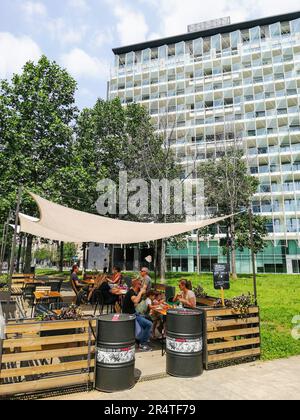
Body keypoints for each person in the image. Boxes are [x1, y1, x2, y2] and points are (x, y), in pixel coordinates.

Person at [123, 278, 153, 352]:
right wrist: (141, 292)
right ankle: (143, 344)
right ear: (136, 285)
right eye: (140, 284)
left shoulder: (134, 292)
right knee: (149, 324)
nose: (141, 285)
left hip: (134, 314)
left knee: (148, 319)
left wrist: (141, 293)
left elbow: (136, 303)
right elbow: (136, 300)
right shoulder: (131, 293)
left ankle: (143, 339)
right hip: (129, 316)